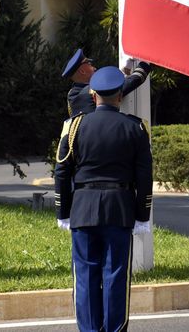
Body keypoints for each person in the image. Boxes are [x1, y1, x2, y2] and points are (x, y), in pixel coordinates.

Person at [54, 66, 154, 332]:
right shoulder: (136, 128)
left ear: (93, 94)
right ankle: (113, 329)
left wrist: (63, 211)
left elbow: (62, 170)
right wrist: (142, 216)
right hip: (120, 208)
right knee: (115, 274)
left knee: (85, 276)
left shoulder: (74, 127)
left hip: (83, 209)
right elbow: (144, 176)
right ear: (120, 96)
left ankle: (89, 330)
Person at [62, 48, 152, 117]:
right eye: (89, 64)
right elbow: (131, 82)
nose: (94, 68)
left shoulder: (74, 93)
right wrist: (145, 62)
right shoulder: (87, 92)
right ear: (82, 71)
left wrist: (125, 69)